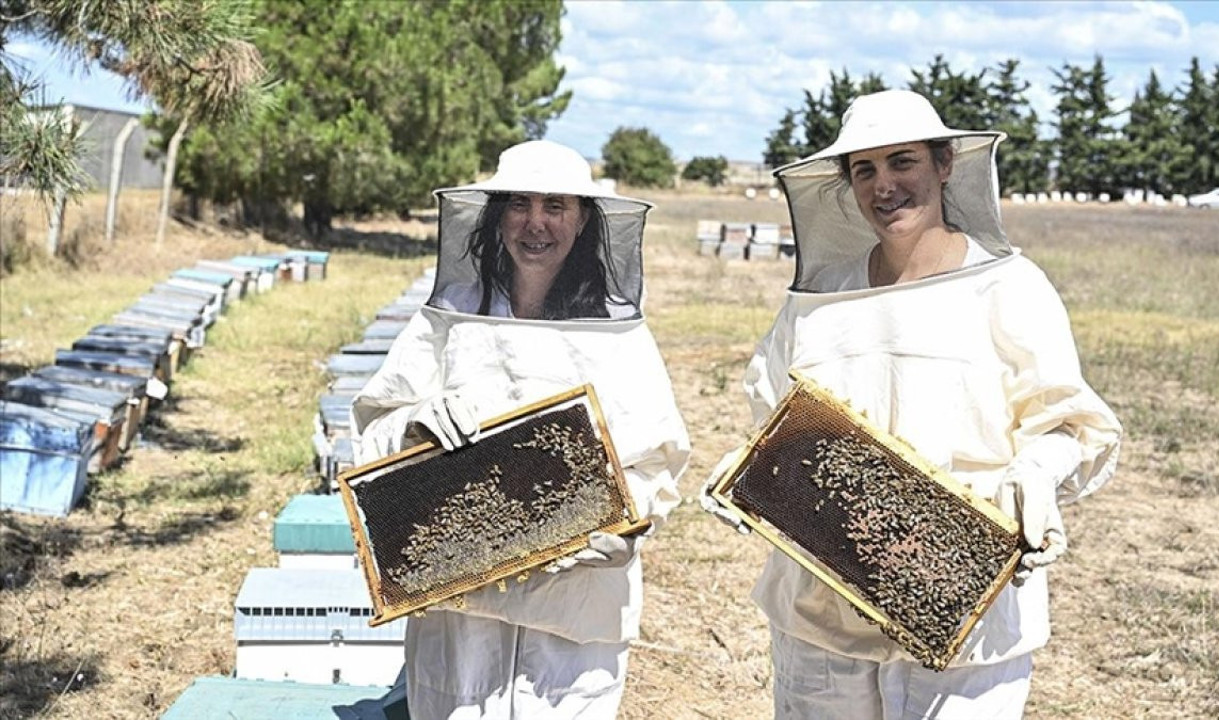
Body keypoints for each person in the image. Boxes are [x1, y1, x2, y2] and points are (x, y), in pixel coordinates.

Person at [701, 90, 1123, 718]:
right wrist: (756, 465)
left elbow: (1068, 421)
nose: (884, 186)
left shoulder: (1009, 288)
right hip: (823, 611)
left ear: (945, 163)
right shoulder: (820, 301)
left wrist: (1038, 470)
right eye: (864, 170)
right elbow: (778, 413)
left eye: (902, 162)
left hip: (965, 611)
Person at [352, 140, 689, 719]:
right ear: (496, 216)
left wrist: (626, 525)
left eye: (555, 205)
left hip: (573, 614)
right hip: (461, 607)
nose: (536, 223)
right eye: (519, 204)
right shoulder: (453, 313)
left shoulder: (618, 330)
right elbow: (374, 428)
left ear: (582, 220)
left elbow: (656, 459)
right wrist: (412, 422)